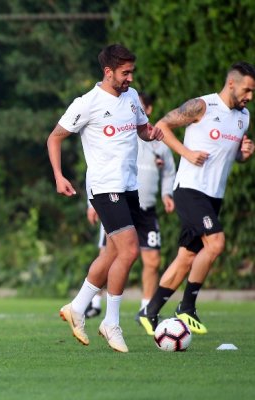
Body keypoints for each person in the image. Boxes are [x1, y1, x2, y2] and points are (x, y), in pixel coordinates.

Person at [47, 44, 163, 353]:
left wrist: (152, 134)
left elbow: (142, 130)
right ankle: (111, 322)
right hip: (104, 187)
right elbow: (54, 138)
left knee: (112, 253)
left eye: (132, 72)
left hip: (129, 187)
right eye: (125, 73)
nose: (130, 78)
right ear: (108, 72)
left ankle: (77, 307)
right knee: (130, 251)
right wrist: (59, 176)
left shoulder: (132, 97)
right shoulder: (87, 103)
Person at [138, 62, 255, 335]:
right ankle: (186, 307)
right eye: (247, 90)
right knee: (216, 243)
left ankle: (150, 311)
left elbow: (231, 155)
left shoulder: (244, 116)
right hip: (190, 190)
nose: (250, 96)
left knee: (187, 257)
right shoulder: (203, 106)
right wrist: (187, 153)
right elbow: (162, 125)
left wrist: (243, 154)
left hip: (214, 196)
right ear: (231, 84)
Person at [84, 93, 176, 319]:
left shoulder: (157, 141)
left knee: (152, 260)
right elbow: (99, 170)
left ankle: (146, 309)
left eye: (138, 108)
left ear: (147, 110)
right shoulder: (120, 135)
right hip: (117, 204)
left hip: (146, 209)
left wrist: (167, 193)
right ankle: (93, 302)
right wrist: (92, 203)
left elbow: (169, 171)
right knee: (108, 255)